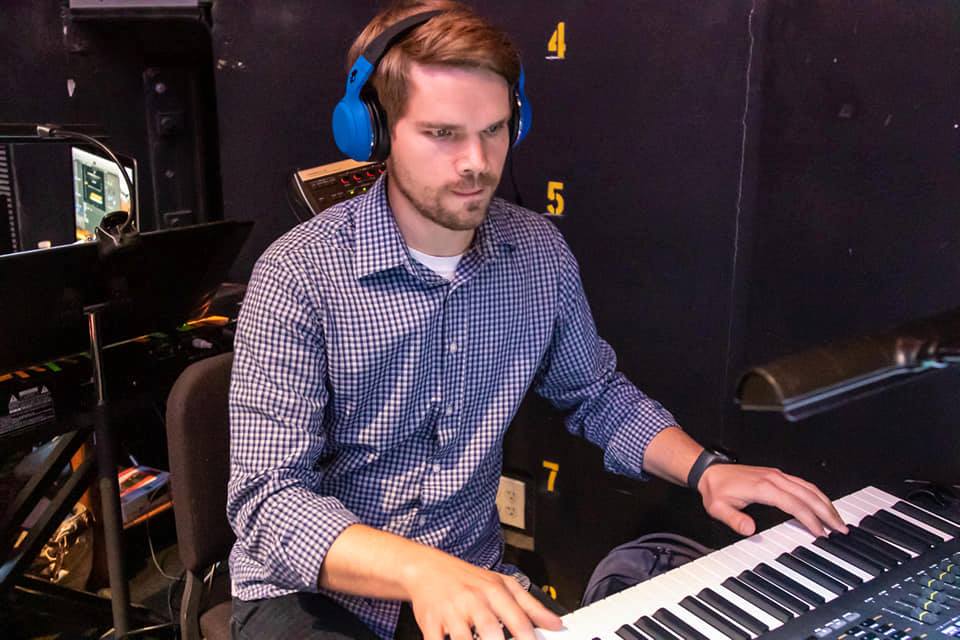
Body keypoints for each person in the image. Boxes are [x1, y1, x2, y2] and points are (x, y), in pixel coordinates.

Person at [227, 2, 847, 639]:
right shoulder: (299, 274)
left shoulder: (536, 254)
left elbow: (596, 393)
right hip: (315, 594)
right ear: (374, 134)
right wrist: (419, 572)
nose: (476, 161)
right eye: (443, 134)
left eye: (494, 130)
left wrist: (704, 470)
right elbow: (268, 501)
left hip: (471, 577)